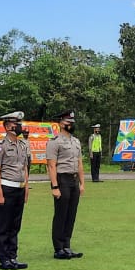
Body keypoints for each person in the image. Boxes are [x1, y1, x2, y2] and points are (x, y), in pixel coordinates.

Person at [0, 111, 31, 269]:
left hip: (19, 189)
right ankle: (4, 259)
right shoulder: (0, 147)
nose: (20, 126)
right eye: (17, 123)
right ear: (8, 126)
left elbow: (25, 168)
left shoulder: (22, 145)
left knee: (15, 225)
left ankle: (13, 256)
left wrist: (26, 188)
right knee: (4, 226)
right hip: (6, 188)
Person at [46, 110, 85, 259]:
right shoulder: (54, 142)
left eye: (72, 122)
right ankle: (58, 248)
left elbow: (80, 163)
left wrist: (82, 183)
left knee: (71, 214)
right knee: (61, 214)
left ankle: (67, 245)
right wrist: (54, 186)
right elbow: (51, 165)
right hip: (62, 179)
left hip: (74, 180)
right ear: (61, 123)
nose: (71, 124)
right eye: (68, 122)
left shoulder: (76, 141)